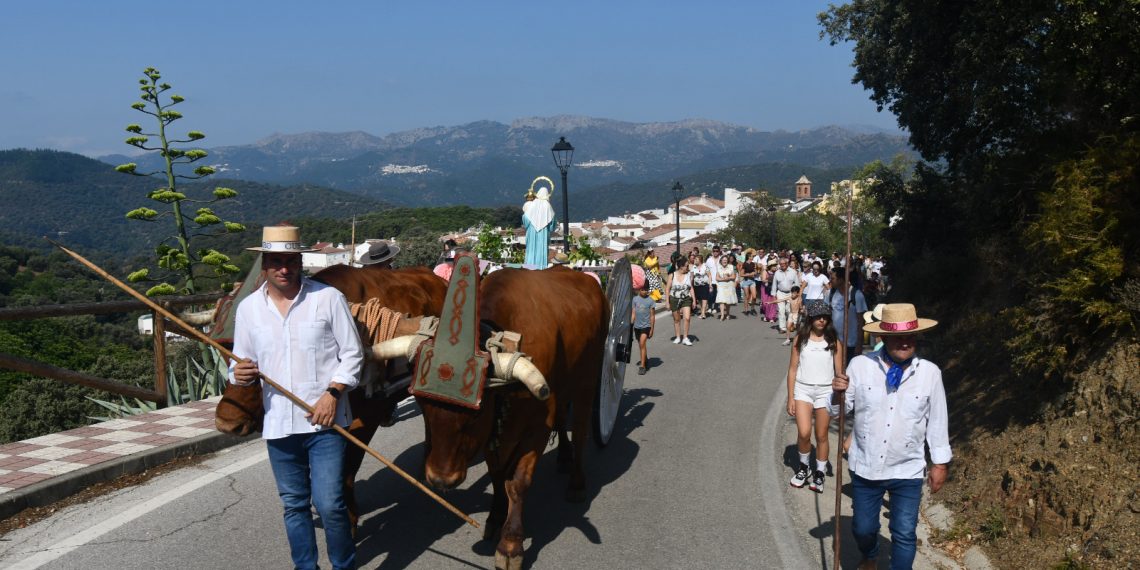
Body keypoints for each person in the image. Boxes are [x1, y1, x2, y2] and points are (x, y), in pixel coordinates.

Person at [229, 225, 363, 570]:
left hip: (325, 424)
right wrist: (238, 373)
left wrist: (333, 394)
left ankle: (344, 565)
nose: (284, 268)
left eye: (290, 261)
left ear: (300, 262)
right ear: (264, 265)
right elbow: (239, 363)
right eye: (276, 261)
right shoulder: (248, 309)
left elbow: (353, 354)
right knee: (294, 505)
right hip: (278, 425)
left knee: (330, 504)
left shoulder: (328, 298)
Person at [831, 303, 950, 570]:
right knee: (863, 528)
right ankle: (870, 554)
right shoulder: (860, 366)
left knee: (905, 533)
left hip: (907, 469)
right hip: (866, 465)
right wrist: (837, 392)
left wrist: (940, 463)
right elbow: (838, 411)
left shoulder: (930, 373)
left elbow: (938, 421)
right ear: (883, 337)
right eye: (898, 337)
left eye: (910, 336)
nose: (905, 343)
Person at [786, 300, 842, 493]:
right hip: (803, 390)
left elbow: (839, 374)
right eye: (818, 316)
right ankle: (804, 467)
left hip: (826, 392)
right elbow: (792, 370)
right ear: (810, 318)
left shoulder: (834, 342)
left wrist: (838, 401)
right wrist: (790, 397)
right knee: (803, 433)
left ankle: (820, 471)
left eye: (825, 317)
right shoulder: (800, 340)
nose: (821, 320)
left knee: (821, 434)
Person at [829, 267, 869, 364]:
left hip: (852, 344)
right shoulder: (831, 294)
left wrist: (859, 344)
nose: (830, 281)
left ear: (841, 279)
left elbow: (861, 322)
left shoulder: (856, 295)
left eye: (833, 278)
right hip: (835, 342)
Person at [522, 186, 557, 267]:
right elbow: (552, 223)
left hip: (531, 231)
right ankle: (541, 267)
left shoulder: (533, 204)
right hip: (543, 232)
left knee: (531, 249)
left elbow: (525, 218)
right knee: (541, 250)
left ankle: (529, 266)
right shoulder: (548, 205)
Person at [665, 256, 694, 345]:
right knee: (677, 319)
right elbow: (667, 289)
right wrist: (667, 302)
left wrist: (694, 300)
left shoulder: (688, 275)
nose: (688, 267)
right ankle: (678, 337)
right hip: (674, 299)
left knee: (687, 318)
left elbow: (691, 288)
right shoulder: (672, 275)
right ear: (681, 266)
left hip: (686, 299)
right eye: (686, 266)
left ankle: (685, 338)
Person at [770, 257, 800, 333]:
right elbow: (774, 284)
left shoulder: (793, 272)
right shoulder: (777, 272)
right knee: (781, 310)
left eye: (784, 264)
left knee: (788, 310)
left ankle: (790, 325)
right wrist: (773, 295)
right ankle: (782, 328)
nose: (782, 265)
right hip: (780, 292)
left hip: (791, 293)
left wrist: (796, 294)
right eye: (781, 264)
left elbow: (797, 283)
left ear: (787, 264)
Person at [631, 281, 656, 375]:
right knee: (641, 345)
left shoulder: (651, 301)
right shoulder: (635, 299)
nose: (644, 291)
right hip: (637, 326)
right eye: (642, 289)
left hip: (646, 326)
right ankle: (645, 359)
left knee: (642, 343)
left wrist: (652, 329)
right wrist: (631, 324)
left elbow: (652, 316)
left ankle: (642, 366)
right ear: (639, 289)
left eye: (646, 289)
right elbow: (633, 313)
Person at [714, 253, 738, 321]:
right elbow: (717, 278)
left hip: (729, 286)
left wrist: (728, 278)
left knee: (728, 301)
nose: (724, 261)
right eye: (723, 260)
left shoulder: (731, 267)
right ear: (721, 261)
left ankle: (727, 314)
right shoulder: (718, 267)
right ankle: (722, 315)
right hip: (721, 286)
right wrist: (724, 279)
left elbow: (734, 277)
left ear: (727, 261)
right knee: (721, 301)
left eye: (726, 260)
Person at [690, 252, 712, 319]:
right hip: (696, 286)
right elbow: (691, 277)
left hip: (704, 285)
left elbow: (709, 275)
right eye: (695, 259)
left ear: (700, 260)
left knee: (704, 298)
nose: (695, 260)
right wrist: (690, 285)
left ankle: (703, 313)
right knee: (699, 299)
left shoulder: (705, 266)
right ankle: (703, 310)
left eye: (696, 259)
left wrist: (710, 285)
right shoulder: (693, 267)